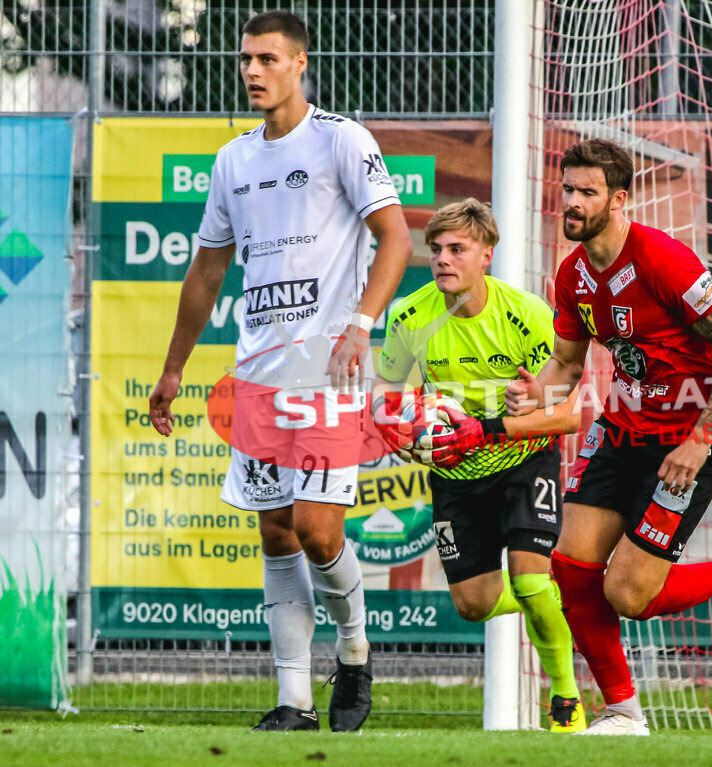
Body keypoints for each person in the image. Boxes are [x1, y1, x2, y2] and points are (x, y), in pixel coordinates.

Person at [147, 11, 412, 732]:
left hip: (328, 371)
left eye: (267, 58)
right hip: (258, 375)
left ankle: (355, 652)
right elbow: (207, 269)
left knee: (320, 530)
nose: (253, 71)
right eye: (245, 59)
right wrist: (173, 369)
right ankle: (293, 699)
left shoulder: (340, 139)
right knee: (275, 534)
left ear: (300, 64)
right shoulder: (233, 160)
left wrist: (360, 325)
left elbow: (395, 237)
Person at [505, 139, 712, 736]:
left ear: (620, 199)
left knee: (628, 595)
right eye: (567, 189)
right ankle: (624, 713)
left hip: (686, 442)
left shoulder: (662, 259)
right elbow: (567, 367)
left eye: (586, 192)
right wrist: (531, 396)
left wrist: (700, 440)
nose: (571, 202)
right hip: (621, 427)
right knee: (568, 571)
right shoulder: (572, 275)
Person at [372, 199, 587, 732]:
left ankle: (566, 699)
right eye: (436, 250)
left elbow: (572, 413)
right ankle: (551, 596)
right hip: (453, 474)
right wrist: (389, 424)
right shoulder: (410, 315)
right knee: (473, 604)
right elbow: (385, 391)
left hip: (521, 460)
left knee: (532, 581)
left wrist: (517, 411)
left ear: (487, 254)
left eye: (457, 249)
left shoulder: (529, 315)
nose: (443, 259)